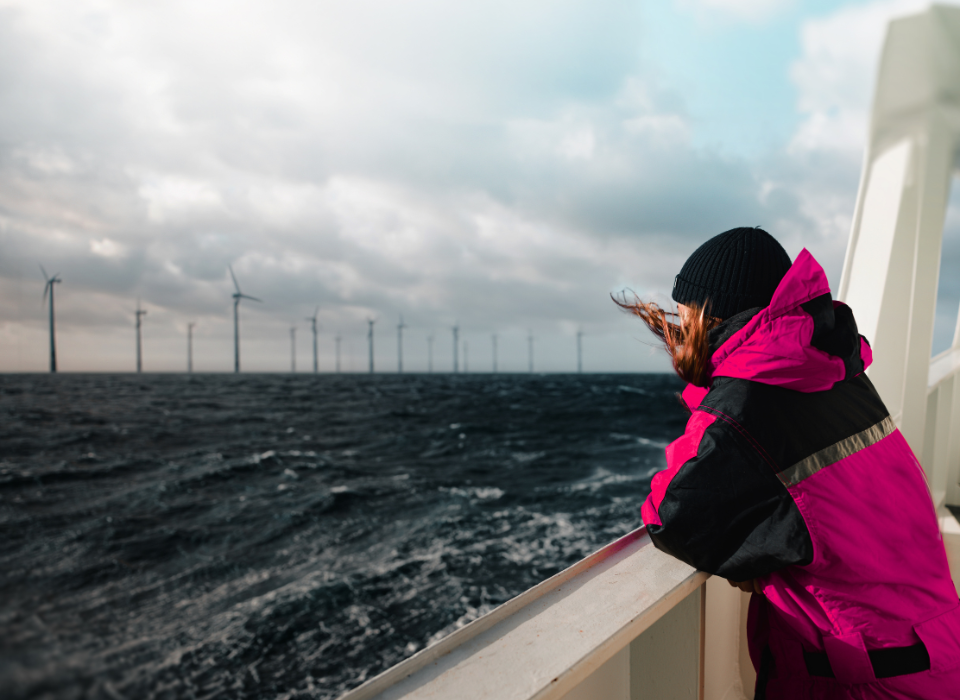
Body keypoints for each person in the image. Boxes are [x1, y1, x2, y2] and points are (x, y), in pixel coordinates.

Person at [621, 227, 960, 699]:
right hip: (930, 647)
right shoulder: (833, 373)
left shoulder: (745, 405)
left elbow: (674, 515)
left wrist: (710, 399)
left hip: (863, 678)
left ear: (705, 318)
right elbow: (815, 506)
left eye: (683, 318)